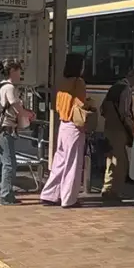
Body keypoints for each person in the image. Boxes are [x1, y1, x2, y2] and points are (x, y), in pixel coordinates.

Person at [40, 53, 94, 208]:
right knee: (73, 163)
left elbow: (59, 104)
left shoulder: (62, 82)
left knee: (60, 161)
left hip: (63, 124)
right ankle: (69, 199)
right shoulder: (79, 82)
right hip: (74, 126)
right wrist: (90, 104)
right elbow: (80, 104)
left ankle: (49, 194)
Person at [0, 59, 35, 205]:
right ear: (12, 71)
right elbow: (17, 107)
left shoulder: (1, 85)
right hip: (6, 128)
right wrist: (29, 114)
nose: (21, 74)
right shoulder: (10, 88)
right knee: (9, 164)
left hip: (0, 128)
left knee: (1, 161)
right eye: (19, 71)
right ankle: (5, 195)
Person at [100, 67, 134, 199]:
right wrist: (133, 128)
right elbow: (125, 113)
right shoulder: (126, 89)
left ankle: (107, 188)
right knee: (121, 162)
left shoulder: (115, 87)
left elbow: (102, 109)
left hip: (109, 127)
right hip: (119, 129)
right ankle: (114, 192)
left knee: (111, 159)